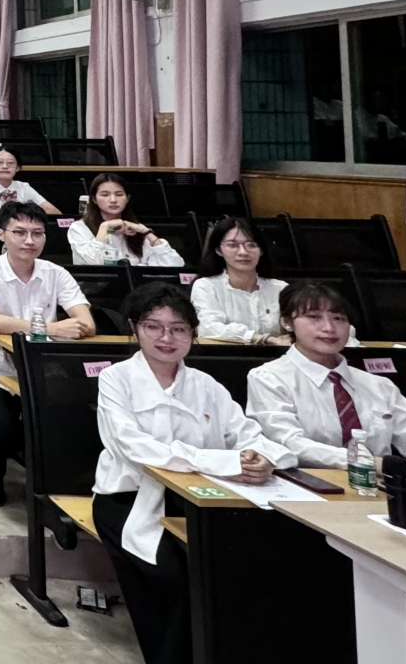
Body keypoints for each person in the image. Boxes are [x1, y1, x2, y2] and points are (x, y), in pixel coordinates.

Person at [94, 284, 292, 664]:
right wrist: (221, 462)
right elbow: (136, 448)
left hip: (204, 498)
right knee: (172, 576)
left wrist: (264, 457)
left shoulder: (206, 385)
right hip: (130, 499)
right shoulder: (116, 379)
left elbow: (248, 434)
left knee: (240, 571)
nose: (166, 338)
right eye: (154, 327)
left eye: (179, 329)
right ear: (135, 328)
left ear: (192, 334)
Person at [246, 282, 406, 484]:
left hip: (381, 490)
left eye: (339, 318)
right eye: (314, 317)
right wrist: (376, 464)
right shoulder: (269, 378)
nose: (329, 327)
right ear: (287, 322)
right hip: (308, 487)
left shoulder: (378, 385)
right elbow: (290, 444)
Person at [0, 201, 95, 505]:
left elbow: (86, 323)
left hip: (44, 370)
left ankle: (62, 482)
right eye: (20, 232)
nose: (29, 241)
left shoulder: (56, 273)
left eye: (37, 233)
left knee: (77, 416)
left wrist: (64, 328)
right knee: (0, 427)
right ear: (2, 234)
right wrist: (52, 328)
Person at [190, 216, 348, 346]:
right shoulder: (206, 286)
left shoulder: (280, 288)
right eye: (232, 245)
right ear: (218, 250)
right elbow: (208, 328)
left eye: (251, 245)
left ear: (261, 250)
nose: (243, 252)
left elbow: (307, 322)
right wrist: (264, 339)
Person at [71, 174, 184, 267]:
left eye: (119, 194)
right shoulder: (79, 228)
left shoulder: (134, 229)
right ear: (94, 199)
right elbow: (92, 264)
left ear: (127, 199)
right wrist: (104, 228)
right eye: (105, 195)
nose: (113, 200)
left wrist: (147, 232)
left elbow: (175, 265)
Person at [0, 147, 60, 214]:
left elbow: (53, 211)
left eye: (10, 163)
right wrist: (7, 215)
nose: (5, 166)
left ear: (18, 168)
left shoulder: (24, 187)